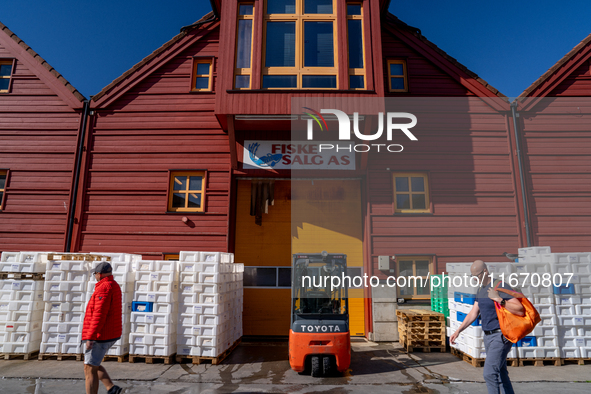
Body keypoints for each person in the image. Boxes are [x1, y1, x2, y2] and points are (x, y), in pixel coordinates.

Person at [450, 260, 524, 394]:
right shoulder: (480, 289)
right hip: (488, 336)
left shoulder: (500, 286)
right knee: (500, 373)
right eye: (473, 277)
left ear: (485, 271)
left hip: (500, 336)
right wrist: (458, 330)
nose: (475, 279)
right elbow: (474, 312)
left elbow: (519, 309)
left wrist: (499, 299)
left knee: (489, 374)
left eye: (477, 275)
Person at [82, 262, 123, 394]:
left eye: (95, 274)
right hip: (109, 332)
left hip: (101, 334)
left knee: (89, 368)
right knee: (93, 363)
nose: (95, 276)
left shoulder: (104, 287)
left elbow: (99, 314)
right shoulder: (114, 285)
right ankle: (111, 388)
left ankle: (110, 389)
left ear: (99, 274)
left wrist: (91, 337)